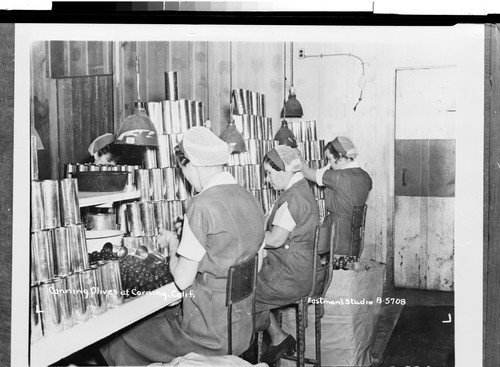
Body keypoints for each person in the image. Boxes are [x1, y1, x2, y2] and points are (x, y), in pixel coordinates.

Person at [100, 126, 265, 366]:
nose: (184, 177)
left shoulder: (200, 206)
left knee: (115, 337)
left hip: (205, 335)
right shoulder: (249, 198)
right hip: (240, 328)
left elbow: (182, 280)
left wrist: (174, 244)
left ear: (193, 164)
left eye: (183, 169)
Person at [255, 145, 320, 364]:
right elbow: (273, 223)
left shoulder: (293, 198)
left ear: (285, 171)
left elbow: (274, 239)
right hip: (300, 271)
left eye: (269, 173)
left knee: (240, 295)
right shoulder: (300, 189)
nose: (267, 179)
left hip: (289, 277)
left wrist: (245, 236)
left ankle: (241, 354)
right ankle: (277, 336)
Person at [301, 136, 372, 264]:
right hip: (354, 240)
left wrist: (296, 156)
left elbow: (307, 173)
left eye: (329, 159)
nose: (330, 165)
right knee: (348, 276)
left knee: (337, 279)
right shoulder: (365, 176)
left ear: (339, 157)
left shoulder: (339, 177)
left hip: (338, 241)